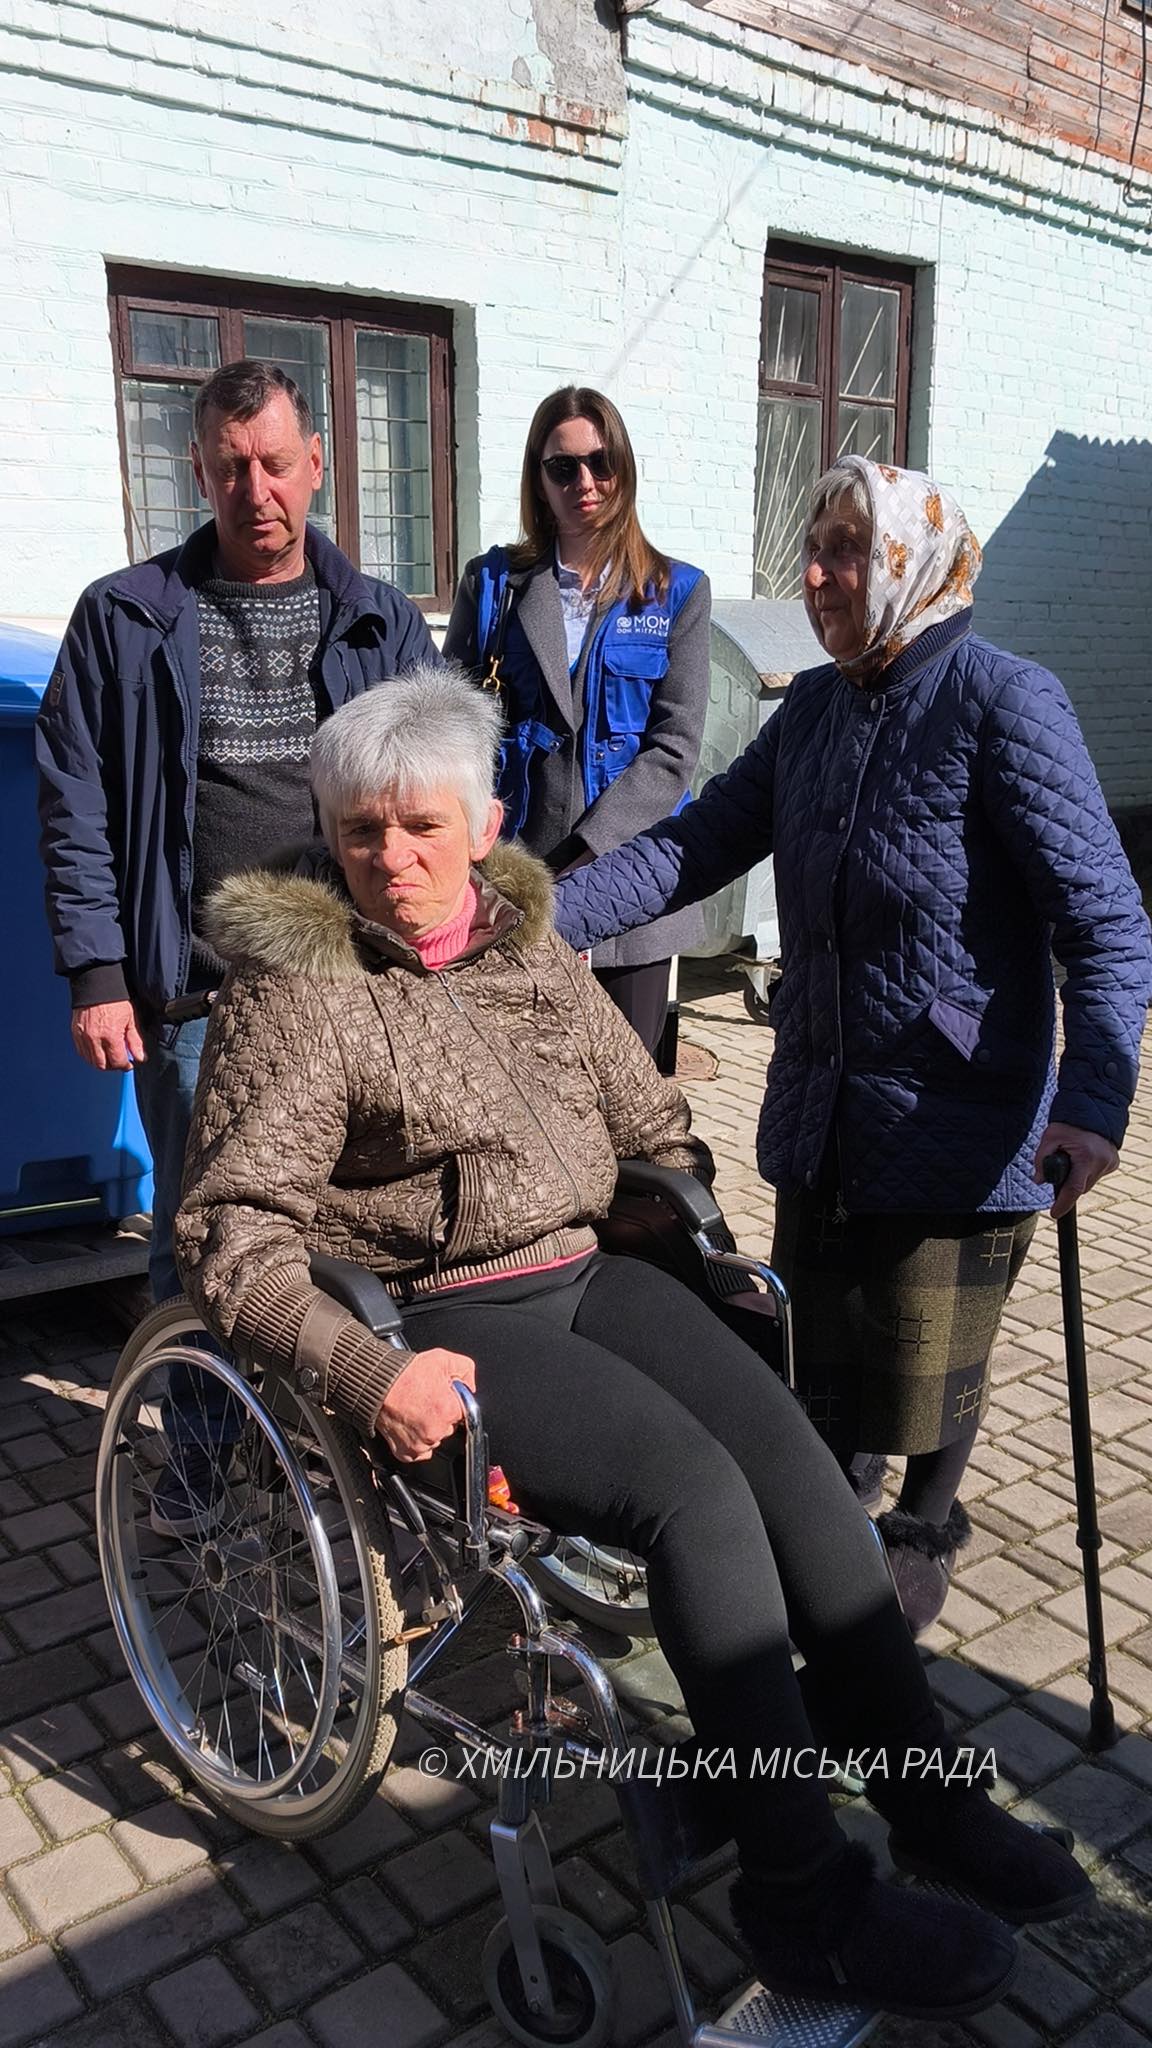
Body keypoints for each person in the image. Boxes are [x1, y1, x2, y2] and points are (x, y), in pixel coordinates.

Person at [174, 665, 1090, 2021]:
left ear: (483, 825)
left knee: (801, 1474)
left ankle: (930, 1804)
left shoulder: (524, 944)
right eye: (362, 830)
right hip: (446, 1314)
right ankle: (804, 1902)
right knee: (698, 1499)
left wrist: (685, 1214)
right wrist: (372, 1371)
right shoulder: (297, 990)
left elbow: (639, 1104)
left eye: (423, 825)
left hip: (592, 1271)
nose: (393, 857)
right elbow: (232, 1233)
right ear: (330, 831)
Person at [554, 455, 1152, 1633]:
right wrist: (538, 916)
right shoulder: (816, 710)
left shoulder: (1003, 700)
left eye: (846, 551)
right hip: (826, 1108)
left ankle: (921, 1532)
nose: (819, 577)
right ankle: (831, 1547)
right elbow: (693, 846)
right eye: (813, 551)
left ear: (911, 563)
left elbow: (1106, 920)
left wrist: (1093, 1100)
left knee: (931, 1373)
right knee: (823, 1379)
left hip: (958, 1114)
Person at [36, 358, 438, 1532]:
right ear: (198, 472)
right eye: (228, 467)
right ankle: (209, 1456)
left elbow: (432, 785)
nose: (253, 489)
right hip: (195, 998)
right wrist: (99, 971)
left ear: (316, 464)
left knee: (347, 1221)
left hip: (346, 989)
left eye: (273, 463)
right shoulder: (124, 616)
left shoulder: (381, 618)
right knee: (198, 1234)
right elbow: (74, 801)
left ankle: (330, 1432)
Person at [443, 385, 710, 1057]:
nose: (584, 483)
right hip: (513, 881)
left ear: (623, 467)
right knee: (515, 1087)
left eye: (600, 462)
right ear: (539, 478)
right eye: (563, 467)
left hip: (630, 881)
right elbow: (450, 728)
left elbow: (673, 749)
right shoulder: (494, 586)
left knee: (626, 1090)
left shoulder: (676, 592)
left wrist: (585, 850)